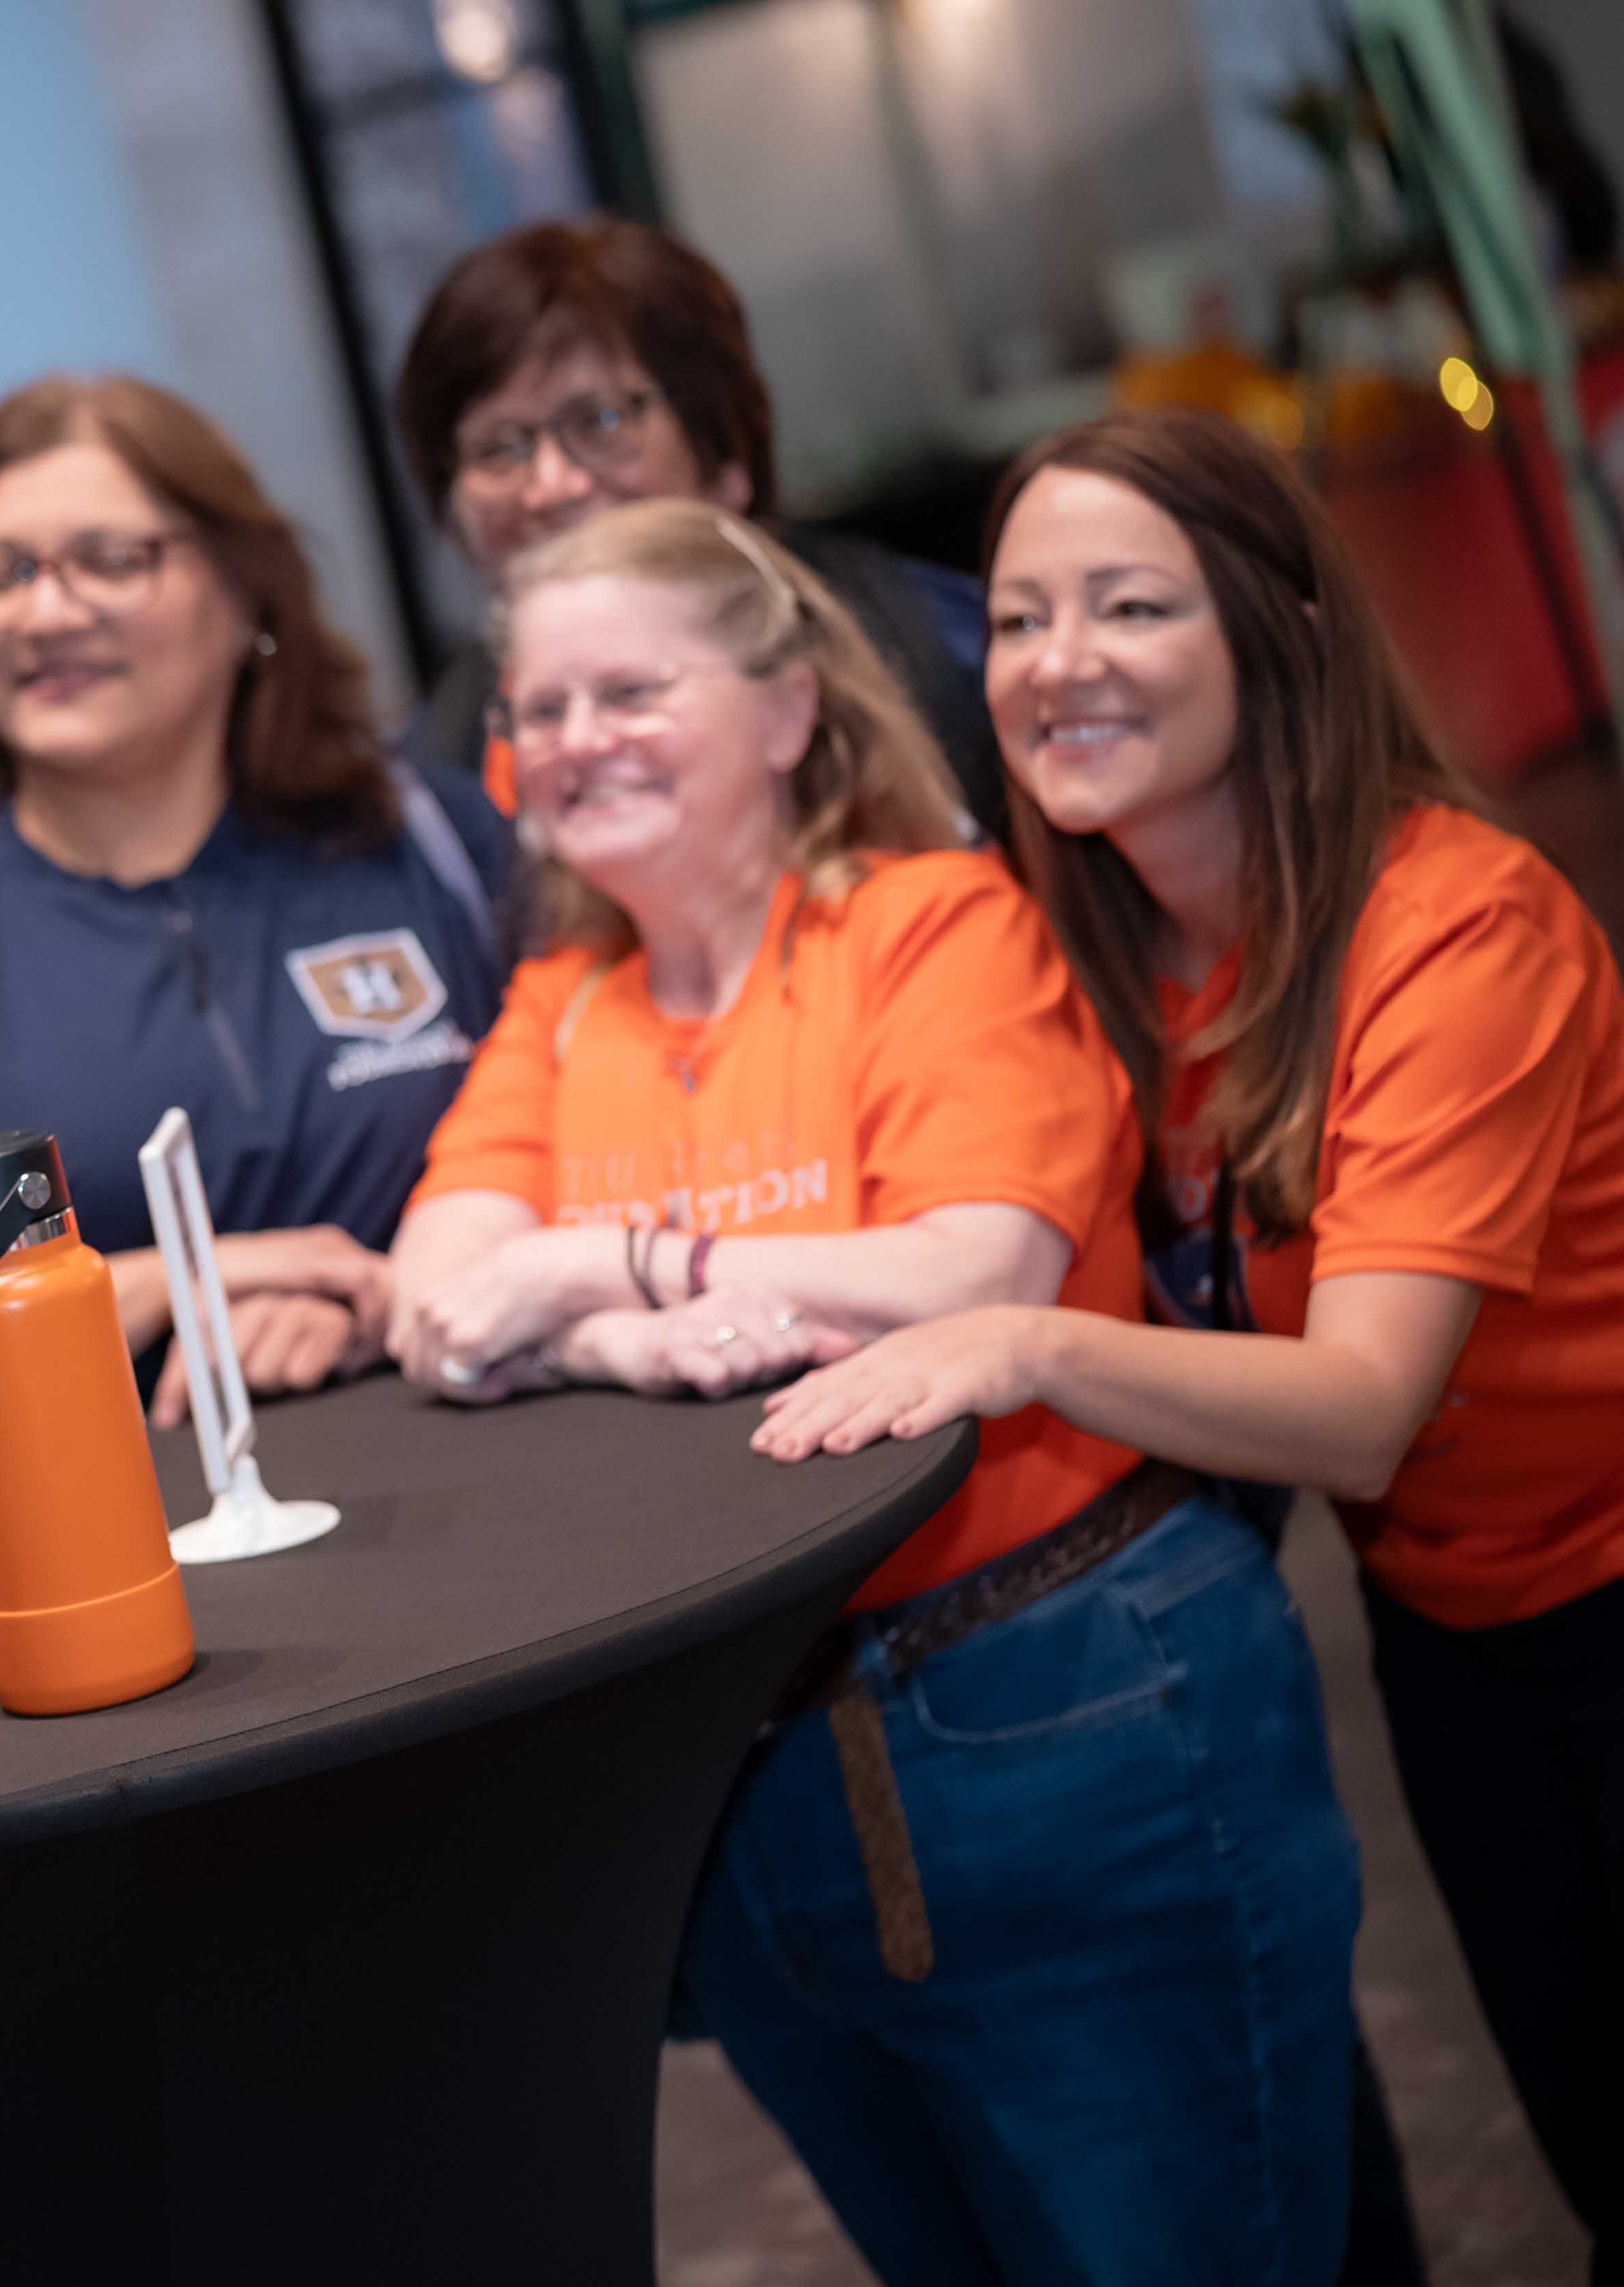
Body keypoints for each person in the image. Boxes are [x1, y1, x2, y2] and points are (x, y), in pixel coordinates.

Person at [389, 494, 1362, 2283]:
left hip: (1055, 1706)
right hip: (734, 1768)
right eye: (539, 708)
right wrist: (622, 1338)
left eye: (628, 690)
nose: (574, 738)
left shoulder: (930, 927)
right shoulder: (561, 1002)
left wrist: (601, 1264)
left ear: (785, 709)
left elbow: (966, 1276)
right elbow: (436, 1310)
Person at [760, 407, 1624, 2278]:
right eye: (1015, 618)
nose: (1054, 660)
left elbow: (1360, 1405)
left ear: (1278, 629)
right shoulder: (1092, 955)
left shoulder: (1454, 927)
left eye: (1127, 606)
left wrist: (1026, 1347)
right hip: (1446, 1625)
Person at [0, 372, 512, 1471]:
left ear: (246, 592)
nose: (47, 613)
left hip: (522, 1499)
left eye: (111, 559)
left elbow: (608, 1146)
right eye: (3, 573)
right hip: (107, 1539)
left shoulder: (426, 844)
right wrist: (142, 1291)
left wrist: (381, 1294)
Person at [390, 216, 1013, 843]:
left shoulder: (940, 650)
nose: (551, 485)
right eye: (499, 448)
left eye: (602, 421)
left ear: (722, 454)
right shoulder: (436, 775)